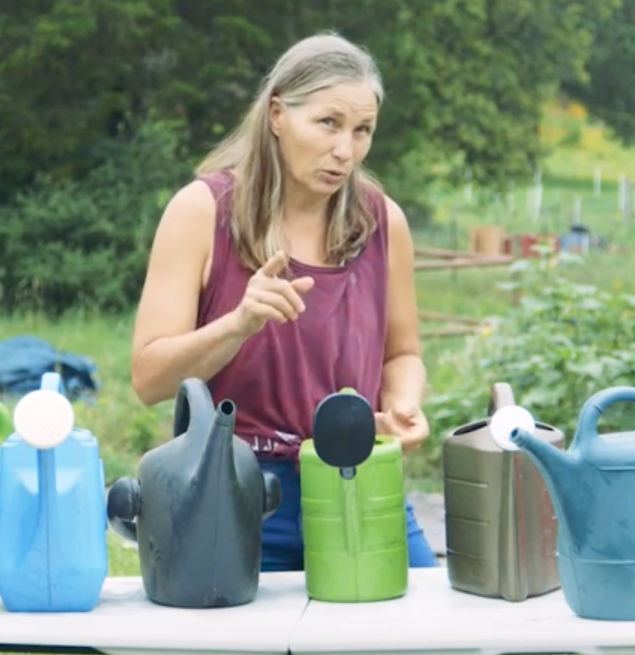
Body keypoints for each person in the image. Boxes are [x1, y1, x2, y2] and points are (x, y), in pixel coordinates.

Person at [129, 32, 437, 571]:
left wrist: (403, 403)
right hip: (233, 494)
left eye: (362, 130)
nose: (346, 151)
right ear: (277, 115)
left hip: (356, 482)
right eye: (328, 123)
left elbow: (401, 354)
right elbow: (149, 379)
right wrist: (238, 324)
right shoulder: (201, 212)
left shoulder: (383, 221)